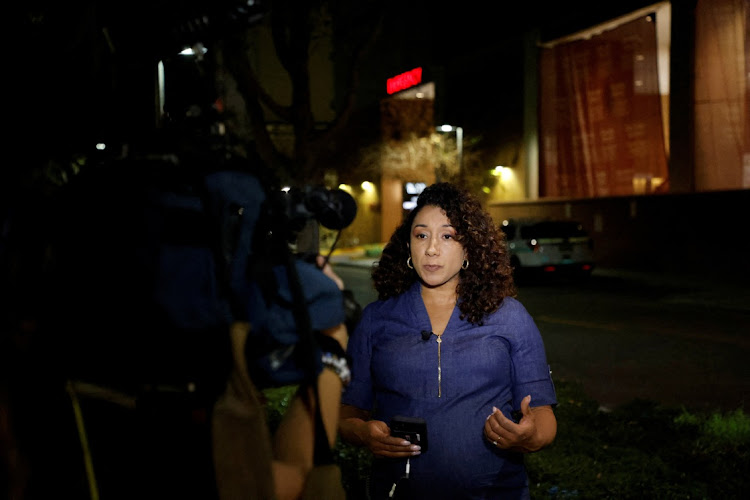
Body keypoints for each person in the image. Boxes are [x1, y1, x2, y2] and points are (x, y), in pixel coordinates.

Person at [338, 182, 557, 499]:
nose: (431, 249)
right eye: (421, 234)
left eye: (448, 236)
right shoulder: (377, 319)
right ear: (408, 245)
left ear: (469, 247)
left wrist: (528, 435)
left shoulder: (510, 317)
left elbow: (544, 418)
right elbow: (346, 415)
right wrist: (362, 433)